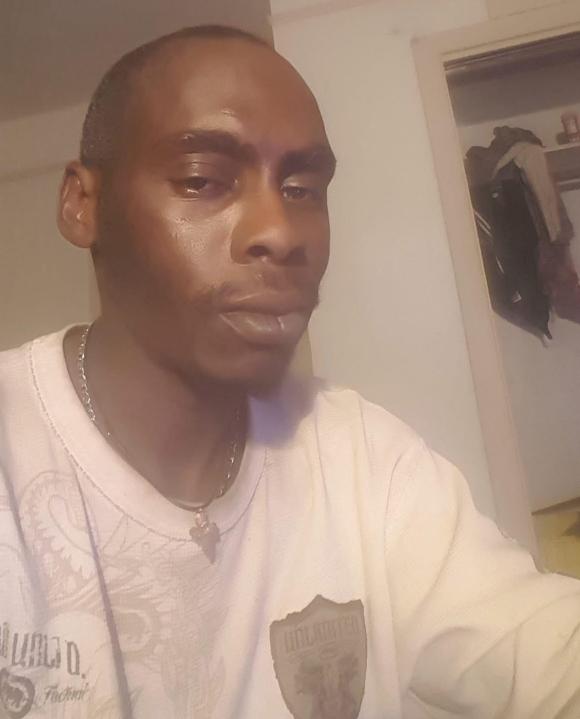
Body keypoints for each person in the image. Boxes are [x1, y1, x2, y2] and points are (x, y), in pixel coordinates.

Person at [0, 25, 579, 719]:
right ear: (82, 205)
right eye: (202, 180)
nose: (279, 231)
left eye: (303, 189)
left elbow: (544, 651)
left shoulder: (361, 457)